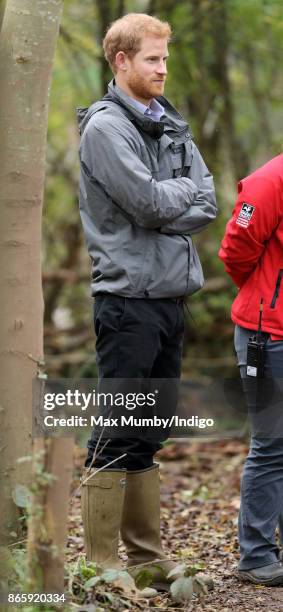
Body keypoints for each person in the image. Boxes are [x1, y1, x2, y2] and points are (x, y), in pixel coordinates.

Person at [77, 12, 217, 590]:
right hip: (127, 299)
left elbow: (206, 200)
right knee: (117, 426)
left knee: (150, 428)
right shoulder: (106, 129)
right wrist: (172, 199)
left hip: (170, 296)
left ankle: (146, 557)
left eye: (165, 58)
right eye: (153, 59)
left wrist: (173, 197)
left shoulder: (171, 123)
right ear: (122, 61)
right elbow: (149, 206)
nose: (163, 69)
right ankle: (103, 564)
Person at [219, 153, 283, 585]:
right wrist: (265, 294)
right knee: (273, 444)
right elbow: (236, 251)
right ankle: (256, 557)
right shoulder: (269, 181)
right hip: (269, 336)